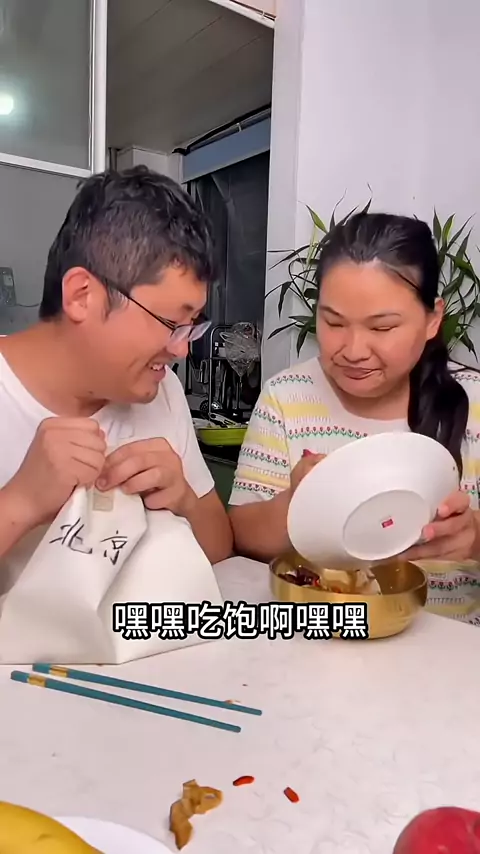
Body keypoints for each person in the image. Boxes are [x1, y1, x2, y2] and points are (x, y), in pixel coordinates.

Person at [229, 211, 480, 624]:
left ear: (433, 319)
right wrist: (298, 503)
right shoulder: (287, 397)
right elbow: (242, 534)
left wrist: (472, 535)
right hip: (318, 635)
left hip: (450, 647)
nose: (354, 350)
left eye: (382, 328)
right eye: (333, 322)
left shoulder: (473, 401)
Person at [0, 165, 233, 568]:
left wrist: (184, 501)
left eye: (191, 325)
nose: (181, 349)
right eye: (170, 323)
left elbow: (219, 549)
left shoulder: (163, 391)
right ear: (82, 296)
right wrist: (21, 501)